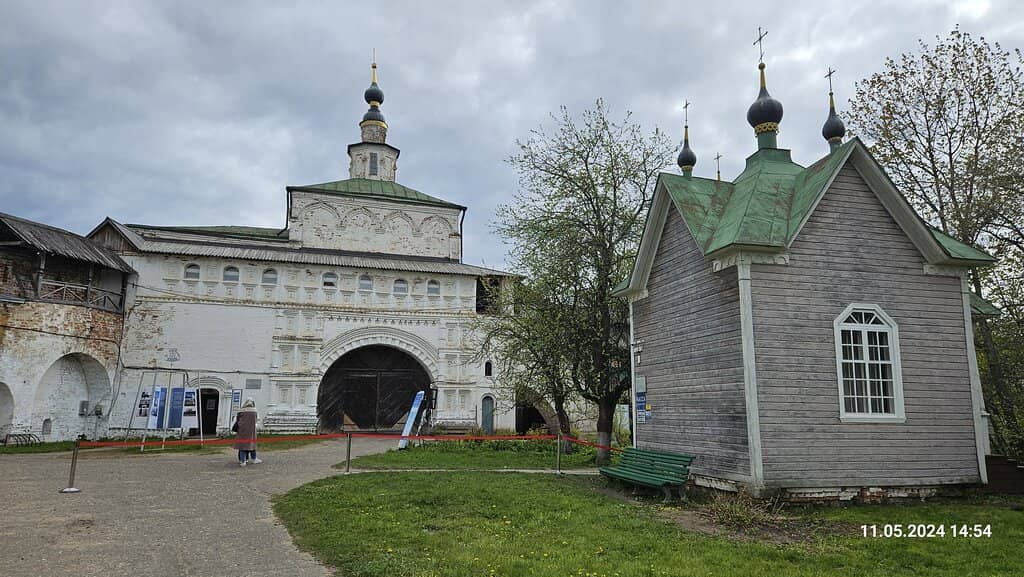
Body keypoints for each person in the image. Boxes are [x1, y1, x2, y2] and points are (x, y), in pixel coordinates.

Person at [233, 398, 262, 466]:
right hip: (251, 430)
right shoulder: (254, 411)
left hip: (242, 430)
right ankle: (254, 459)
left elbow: (237, 419)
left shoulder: (241, 410)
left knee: (242, 446)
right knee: (252, 444)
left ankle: (242, 461)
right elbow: (257, 419)